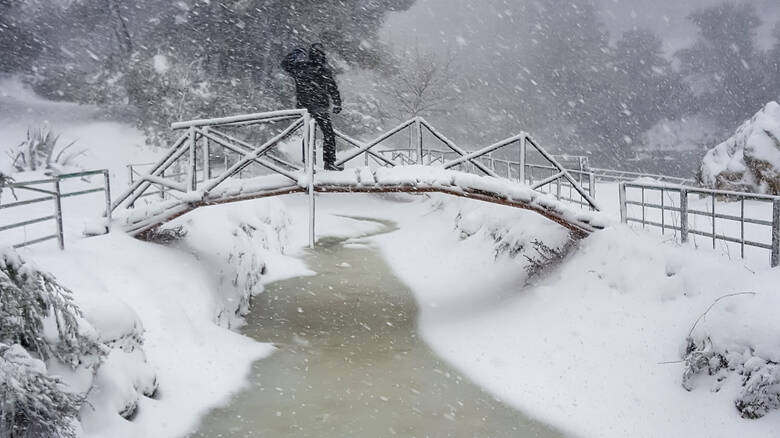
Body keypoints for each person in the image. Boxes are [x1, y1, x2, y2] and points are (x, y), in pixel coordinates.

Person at [282, 43, 343, 171]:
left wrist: (296, 53)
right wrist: (337, 102)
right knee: (326, 135)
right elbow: (332, 88)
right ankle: (326, 163)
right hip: (316, 107)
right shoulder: (320, 70)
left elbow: (286, 64)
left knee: (312, 135)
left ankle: (310, 164)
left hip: (307, 108)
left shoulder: (302, 68)